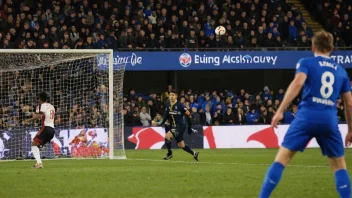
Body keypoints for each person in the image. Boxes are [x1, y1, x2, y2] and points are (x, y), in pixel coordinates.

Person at [259, 30, 352, 198]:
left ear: (313, 46)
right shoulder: (341, 72)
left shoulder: (307, 63)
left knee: (282, 159)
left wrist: (280, 111)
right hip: (329, 120)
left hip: (306, 116)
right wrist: (351, 130)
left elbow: (297, 83)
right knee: (339, 166)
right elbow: (349, 103)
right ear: (331, 48)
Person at [153, 89, 199, 161]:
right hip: (175, 126)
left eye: (173, 95)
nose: (171, 97)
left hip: (180, 126)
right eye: (170, 95)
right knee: (181, 145)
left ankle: (169, 153)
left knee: (167, 136)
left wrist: (189, 128)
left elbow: (189, 115)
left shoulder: (180, 105)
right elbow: (165, 117)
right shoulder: (168, 106)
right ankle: (194, 153)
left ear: (176, 96)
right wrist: (158, 123)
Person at [23, 92, 55, 168]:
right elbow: (43, 116)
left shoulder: (40, 106)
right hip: (52, 130)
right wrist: (31, 113)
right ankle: (41, 146)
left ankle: (39, 163)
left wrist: (28, 120)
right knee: (37, 144)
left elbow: (38, 116)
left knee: (33, 144)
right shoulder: (51, 106)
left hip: (46, 128)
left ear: (39, 98)